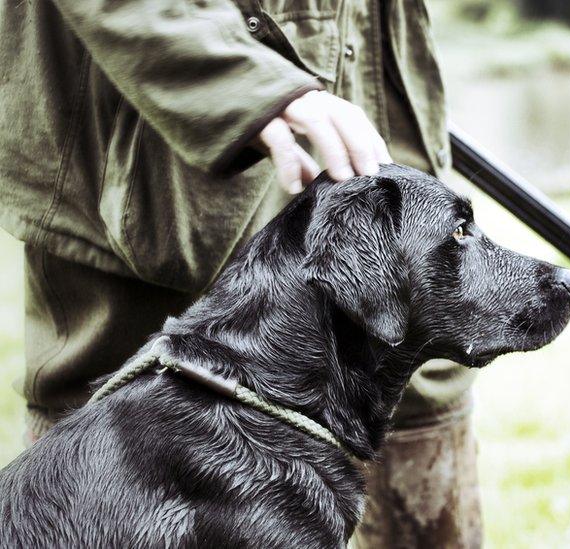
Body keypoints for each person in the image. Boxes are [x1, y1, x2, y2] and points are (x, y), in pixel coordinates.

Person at [0, 0, 480, 546]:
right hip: (153, 143)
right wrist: (244, 83)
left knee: (422, 396)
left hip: (371, 88)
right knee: (111, 455)